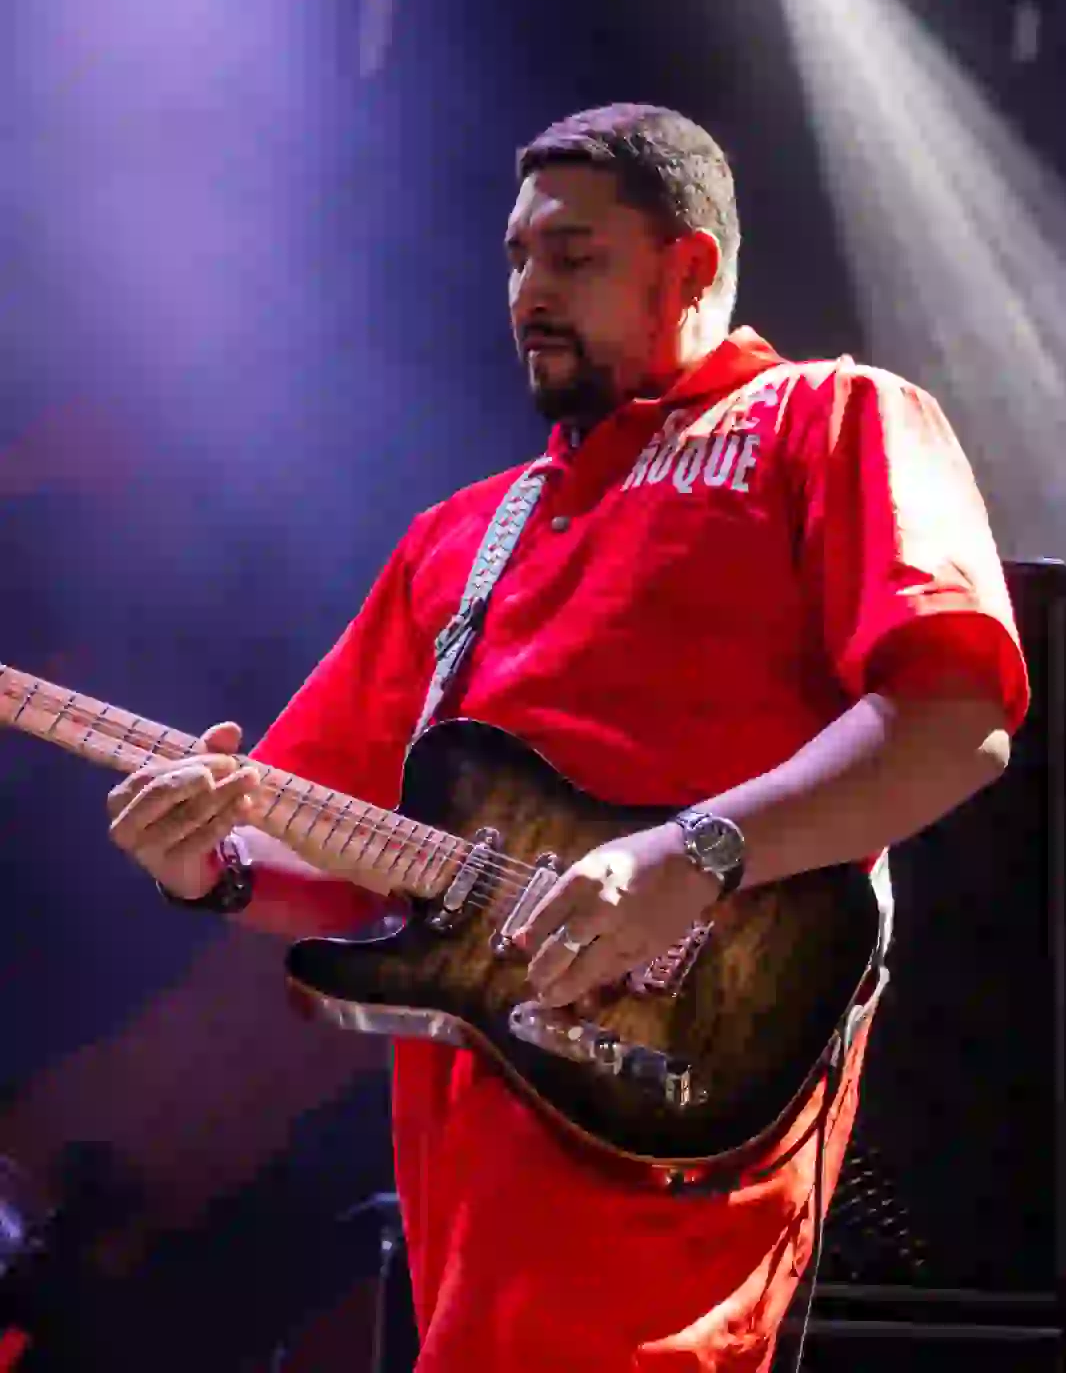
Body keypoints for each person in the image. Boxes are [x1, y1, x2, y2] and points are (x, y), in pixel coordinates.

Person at [106, 104, 1029, 1372]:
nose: (527, 292)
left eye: (573, 256)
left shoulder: (832, 415)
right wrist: (207, 865)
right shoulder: (461, 534)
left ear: (690, 266)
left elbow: (954, 719)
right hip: (477, 1117)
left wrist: (692, 853)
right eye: (515, 257)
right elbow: (326, 827)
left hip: (677, 1079)